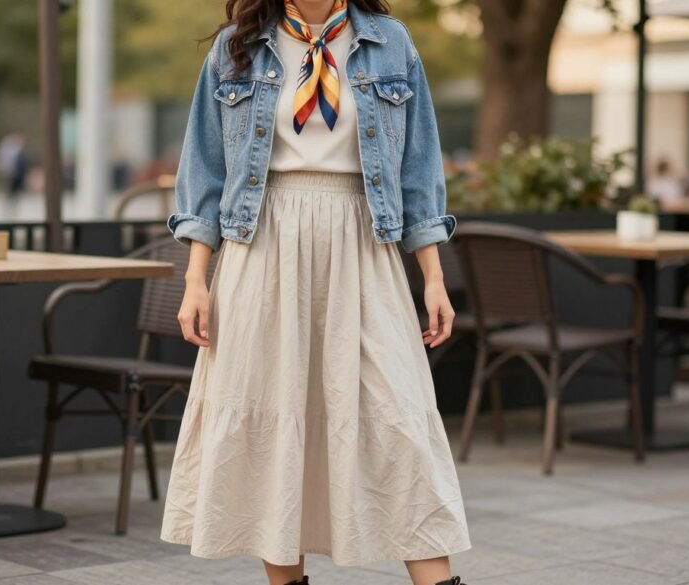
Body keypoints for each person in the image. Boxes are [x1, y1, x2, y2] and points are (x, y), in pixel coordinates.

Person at [160, 2, 470, 585]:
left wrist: (433, 277)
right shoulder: (237, 46)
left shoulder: (392, 44)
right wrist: (196, 279)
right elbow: (204, 170)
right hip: (262, 245)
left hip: (364, 244)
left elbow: (418, 169)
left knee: (398, 421)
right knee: (276, 418)